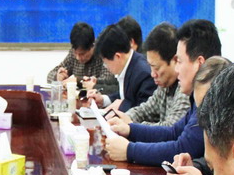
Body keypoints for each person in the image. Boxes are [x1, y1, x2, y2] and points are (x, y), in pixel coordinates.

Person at [104, 19, 221, 164]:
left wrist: (129, 150)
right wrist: (130, 129)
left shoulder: (214, 97)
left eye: (179, 61)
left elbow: (183, 147)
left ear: (200, 63)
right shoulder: (199, 97)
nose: (177, 69)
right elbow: (173, 132)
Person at [107, 22, 190, 127]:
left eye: (156, 68)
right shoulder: (164, 86)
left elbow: (171, 128)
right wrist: (123, 118)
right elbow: (144, 110)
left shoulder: (186, 88)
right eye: (150, 66)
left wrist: (132, 126)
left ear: (175, 60)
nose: (152, 74)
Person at [85, 24, 155, 112]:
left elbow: (146, 110)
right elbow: (125, 96)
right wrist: (103, 100)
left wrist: (122, 106)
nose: (106, 67)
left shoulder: (144, 73)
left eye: (106, 63)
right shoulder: (130, 64)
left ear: (117, 56)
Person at [46, 21, 117, 93]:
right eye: (76, 53)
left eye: (82, 54)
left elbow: (108, 81)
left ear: (92, 47)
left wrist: (78, 80)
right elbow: (50, 75)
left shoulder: (103, 53)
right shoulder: (73, 54)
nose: (78, 57)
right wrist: (58, 76)